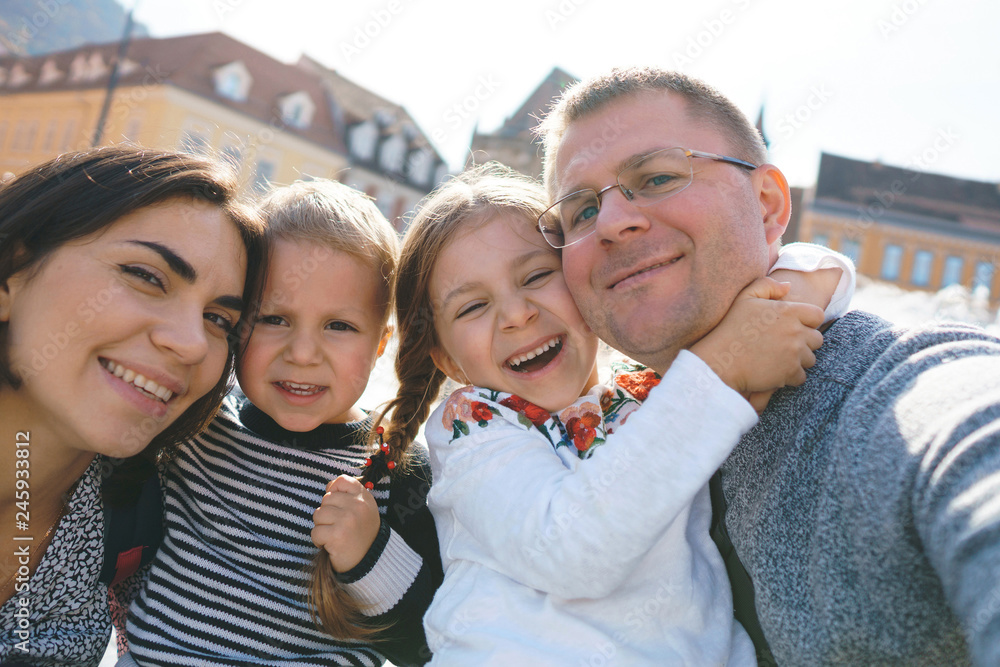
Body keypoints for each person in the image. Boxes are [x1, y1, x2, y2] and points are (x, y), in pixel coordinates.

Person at [538, 66, 1000, 665]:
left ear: (768, 204)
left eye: (655, 177)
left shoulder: (895, 390)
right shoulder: (566, 437)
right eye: (577, 212)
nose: (610, 222)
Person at [376, 163, 852, 664]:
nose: (516, 315)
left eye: (537, 276)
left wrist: (774, 311)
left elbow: (819, 264)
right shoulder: (473, 426)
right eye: (472, 307)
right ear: (450, 360)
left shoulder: (653, 386)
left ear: (588, 281)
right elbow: (568, 550)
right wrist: (722, 372)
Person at [123, 179, 441, 666]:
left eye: (339, 326)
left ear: (380, 344)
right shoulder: (201, 422)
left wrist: (370, 554)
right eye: (274, 319)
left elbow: (427, 644)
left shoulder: (396, 467)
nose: (303, 353)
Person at [0, 145, 267, 666]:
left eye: (219, 320)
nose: (192, 343)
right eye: (146, 276)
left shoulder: (150, 520)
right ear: (13, 271)